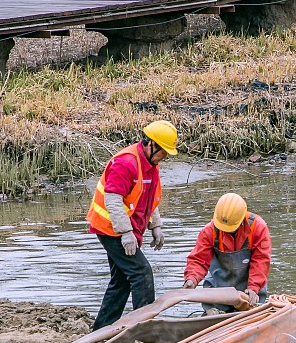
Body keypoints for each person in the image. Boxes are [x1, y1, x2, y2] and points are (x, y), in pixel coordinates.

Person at [86, 120, 177, 330]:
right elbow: (113, 200)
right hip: (111, 229)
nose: (164, 156)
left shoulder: (150, 165)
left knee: (121, 281)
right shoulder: (126, 163)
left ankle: (101, 329)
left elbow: (148, 198)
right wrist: (126, 232)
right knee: (141, 273)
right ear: (150, 144)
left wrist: (156, 225)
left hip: (125, 229)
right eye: (162, 151)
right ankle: (144, 328)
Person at [183, 192, 272, 315]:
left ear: (241, 220)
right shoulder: (209, 230)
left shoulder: (258, 228)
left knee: (254, 316)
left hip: (248, 291)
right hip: (218, 291)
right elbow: (199, 259)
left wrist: (254, 287)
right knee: (213, 317)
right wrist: (192, 279)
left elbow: (261, 260)